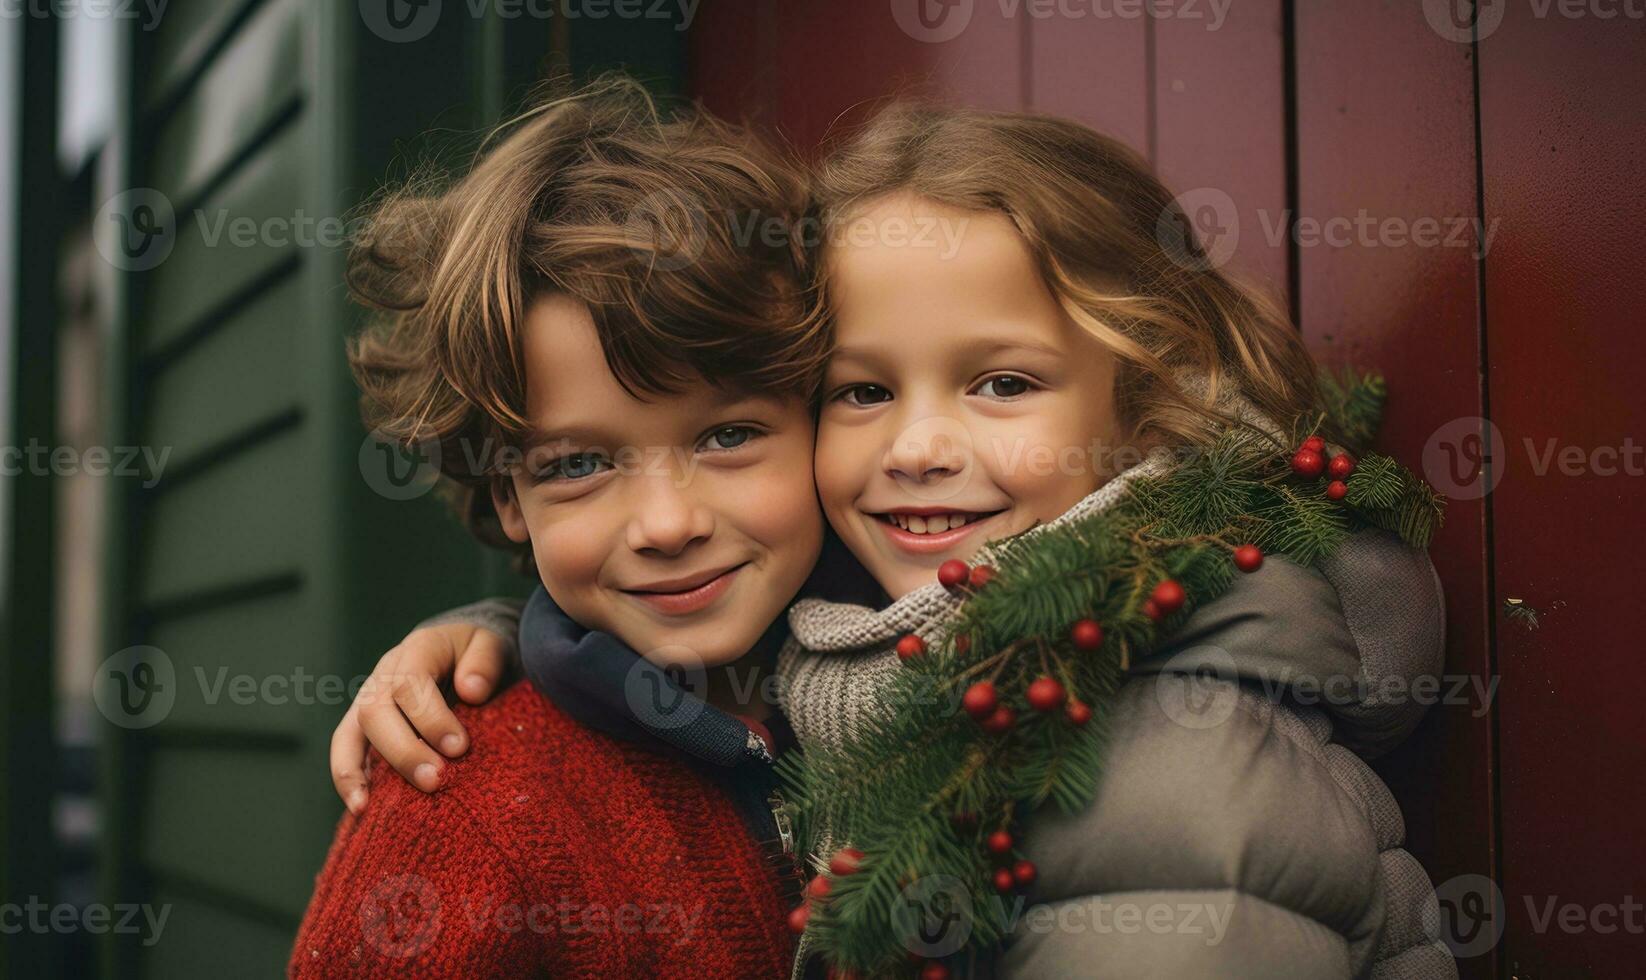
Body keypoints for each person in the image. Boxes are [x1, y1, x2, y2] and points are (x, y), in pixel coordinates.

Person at [332, 101, 1457, 979]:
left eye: (1002, 381)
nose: (917, 446)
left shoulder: (1161, 729)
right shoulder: (860, 625)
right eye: (862, 391)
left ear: (1144, 401)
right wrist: (499, 636)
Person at [289, 78, 831, 977]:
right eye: (577, 465)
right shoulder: (458, 814)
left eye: (728, 436)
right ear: (508, 495)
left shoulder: (933, 689)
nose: (665, 524)